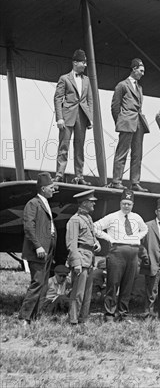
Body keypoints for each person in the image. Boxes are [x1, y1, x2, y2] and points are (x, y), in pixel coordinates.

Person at [94, 189, 148, 321]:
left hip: (133, 253)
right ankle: (109, 314)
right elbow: (95, 227)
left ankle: (123, 313)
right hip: (117, 252)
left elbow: (145, 229)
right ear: (120, 203)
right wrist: (109, 238)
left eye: (129, 204)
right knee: (113, 284)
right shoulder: (112, 217)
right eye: (124, 203)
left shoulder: (137, 217)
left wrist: (137, 238)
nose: (126, 206)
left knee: (128, 285)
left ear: (132, 205)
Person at [19, 172, 58, 325]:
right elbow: (29, 227)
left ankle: (33, 316)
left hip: (47, 250)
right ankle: (24, 317)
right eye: (51, 187)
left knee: (42, 283)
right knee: (37, 283)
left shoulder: (45, 202)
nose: (53, 190)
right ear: (43, 189)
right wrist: (38, 246)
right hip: (39, 251)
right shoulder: (33, 203)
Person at [53, 49, 93, 184]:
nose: (85, 65)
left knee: (80, 147)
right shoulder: (64, 78)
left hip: (81, 117)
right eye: (83, 62)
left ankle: (79, 176)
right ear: (75, 63)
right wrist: (59, 117)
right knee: (63, 146)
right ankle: (59, 174)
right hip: (67, 116)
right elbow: (58, 98)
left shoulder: (87, 80)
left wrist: (90, 117)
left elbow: (90, 100)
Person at [110, 58, 150, 191]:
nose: (142, 74)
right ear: (134, 69)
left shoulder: (140, 87)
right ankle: (116, 181)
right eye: (141, 70)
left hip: (138, 122)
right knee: (122, 152)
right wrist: (121, 121)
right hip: (127, 122)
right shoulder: (122, 85)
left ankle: (135, 182)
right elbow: (115, 106)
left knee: (137, 154)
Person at [65, 189, 101, 325]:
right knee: (77, 293)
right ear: (84, 203)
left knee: (87, 293)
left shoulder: (88, 218)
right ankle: (73, 320)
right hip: (81, 259)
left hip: (89, 258)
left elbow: (90, 237)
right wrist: (76, 263)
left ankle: (83, 318)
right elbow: (71, 243)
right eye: (91, 202)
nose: (94, 204)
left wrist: (96, 243)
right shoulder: (74, 220)